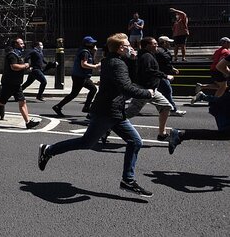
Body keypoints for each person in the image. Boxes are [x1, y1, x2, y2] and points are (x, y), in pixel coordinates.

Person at [38, 33, 155, 197]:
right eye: (128, 45)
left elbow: (126, 78)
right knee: (87, 143)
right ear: (121, 48)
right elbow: (126, 87)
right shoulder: (116, 64)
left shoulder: (111, 61)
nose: (131, 47)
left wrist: (133, 60)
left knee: (134, 141)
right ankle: (49, 150)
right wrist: (147, 93)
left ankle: (127, 180)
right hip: (107, 112)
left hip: (114, 111)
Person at [0, 39, 40, 129]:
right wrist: (25, 66)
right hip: (9, 83)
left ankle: (28, 122)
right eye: (21, 44)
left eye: (23, 44)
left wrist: (26, 68)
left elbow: (19, 66)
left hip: (16, 83)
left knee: (22, 101)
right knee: (1, 101)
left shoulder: (17, 54)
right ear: (15, 44)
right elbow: (14, 67)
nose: (23, 45)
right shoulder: (12, 55)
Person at [125, 37, 172, 141]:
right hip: (144, 89)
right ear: (147, 45)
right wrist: (165, 76)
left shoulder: (149, 55)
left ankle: (162, 134)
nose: (157, 45)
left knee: (166, 107)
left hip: (152, 90)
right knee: (130, 112)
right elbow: (148, 70)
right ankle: (106, 126)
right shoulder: (146, 56)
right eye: (154, 44)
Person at [170, 88, 230, 154]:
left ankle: (181, 135)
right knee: (225, 134)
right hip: (223, 107)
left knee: (225, 134)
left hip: (223, 105)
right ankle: (180, 134)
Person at [53, 36, 101, 117]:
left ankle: (59, 106)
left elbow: (91, 61)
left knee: (77, 93)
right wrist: (96, 66)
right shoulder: (84, 52)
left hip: (81, 76)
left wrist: (95, 52)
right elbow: (84, 64)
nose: (93, 44)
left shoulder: (86, 51)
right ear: (87, 44)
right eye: (91, 43)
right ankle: (86, 107)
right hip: (80, 76)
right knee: (92, 89)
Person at [155, 36, 185, 116]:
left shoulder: (161, 51)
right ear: (164, 43)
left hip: (160, 75)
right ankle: (173, 110)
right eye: (168, 42)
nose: (170, 44)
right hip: (162, 76)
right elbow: (165, 64)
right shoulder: (162, 52)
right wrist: (170, 70)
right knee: (167, 92)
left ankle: (167, 109)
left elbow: (165, 64)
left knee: (154, 94)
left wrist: (172, 68)